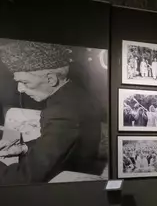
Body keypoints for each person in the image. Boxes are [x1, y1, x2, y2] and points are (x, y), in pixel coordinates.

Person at [0, 41, 104, 184]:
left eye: (25, 82)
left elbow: (25, 176)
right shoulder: (73, 93)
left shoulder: (62, 112)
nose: (20, 89)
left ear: (51, 79)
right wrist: (24, 148)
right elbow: (61, 142)